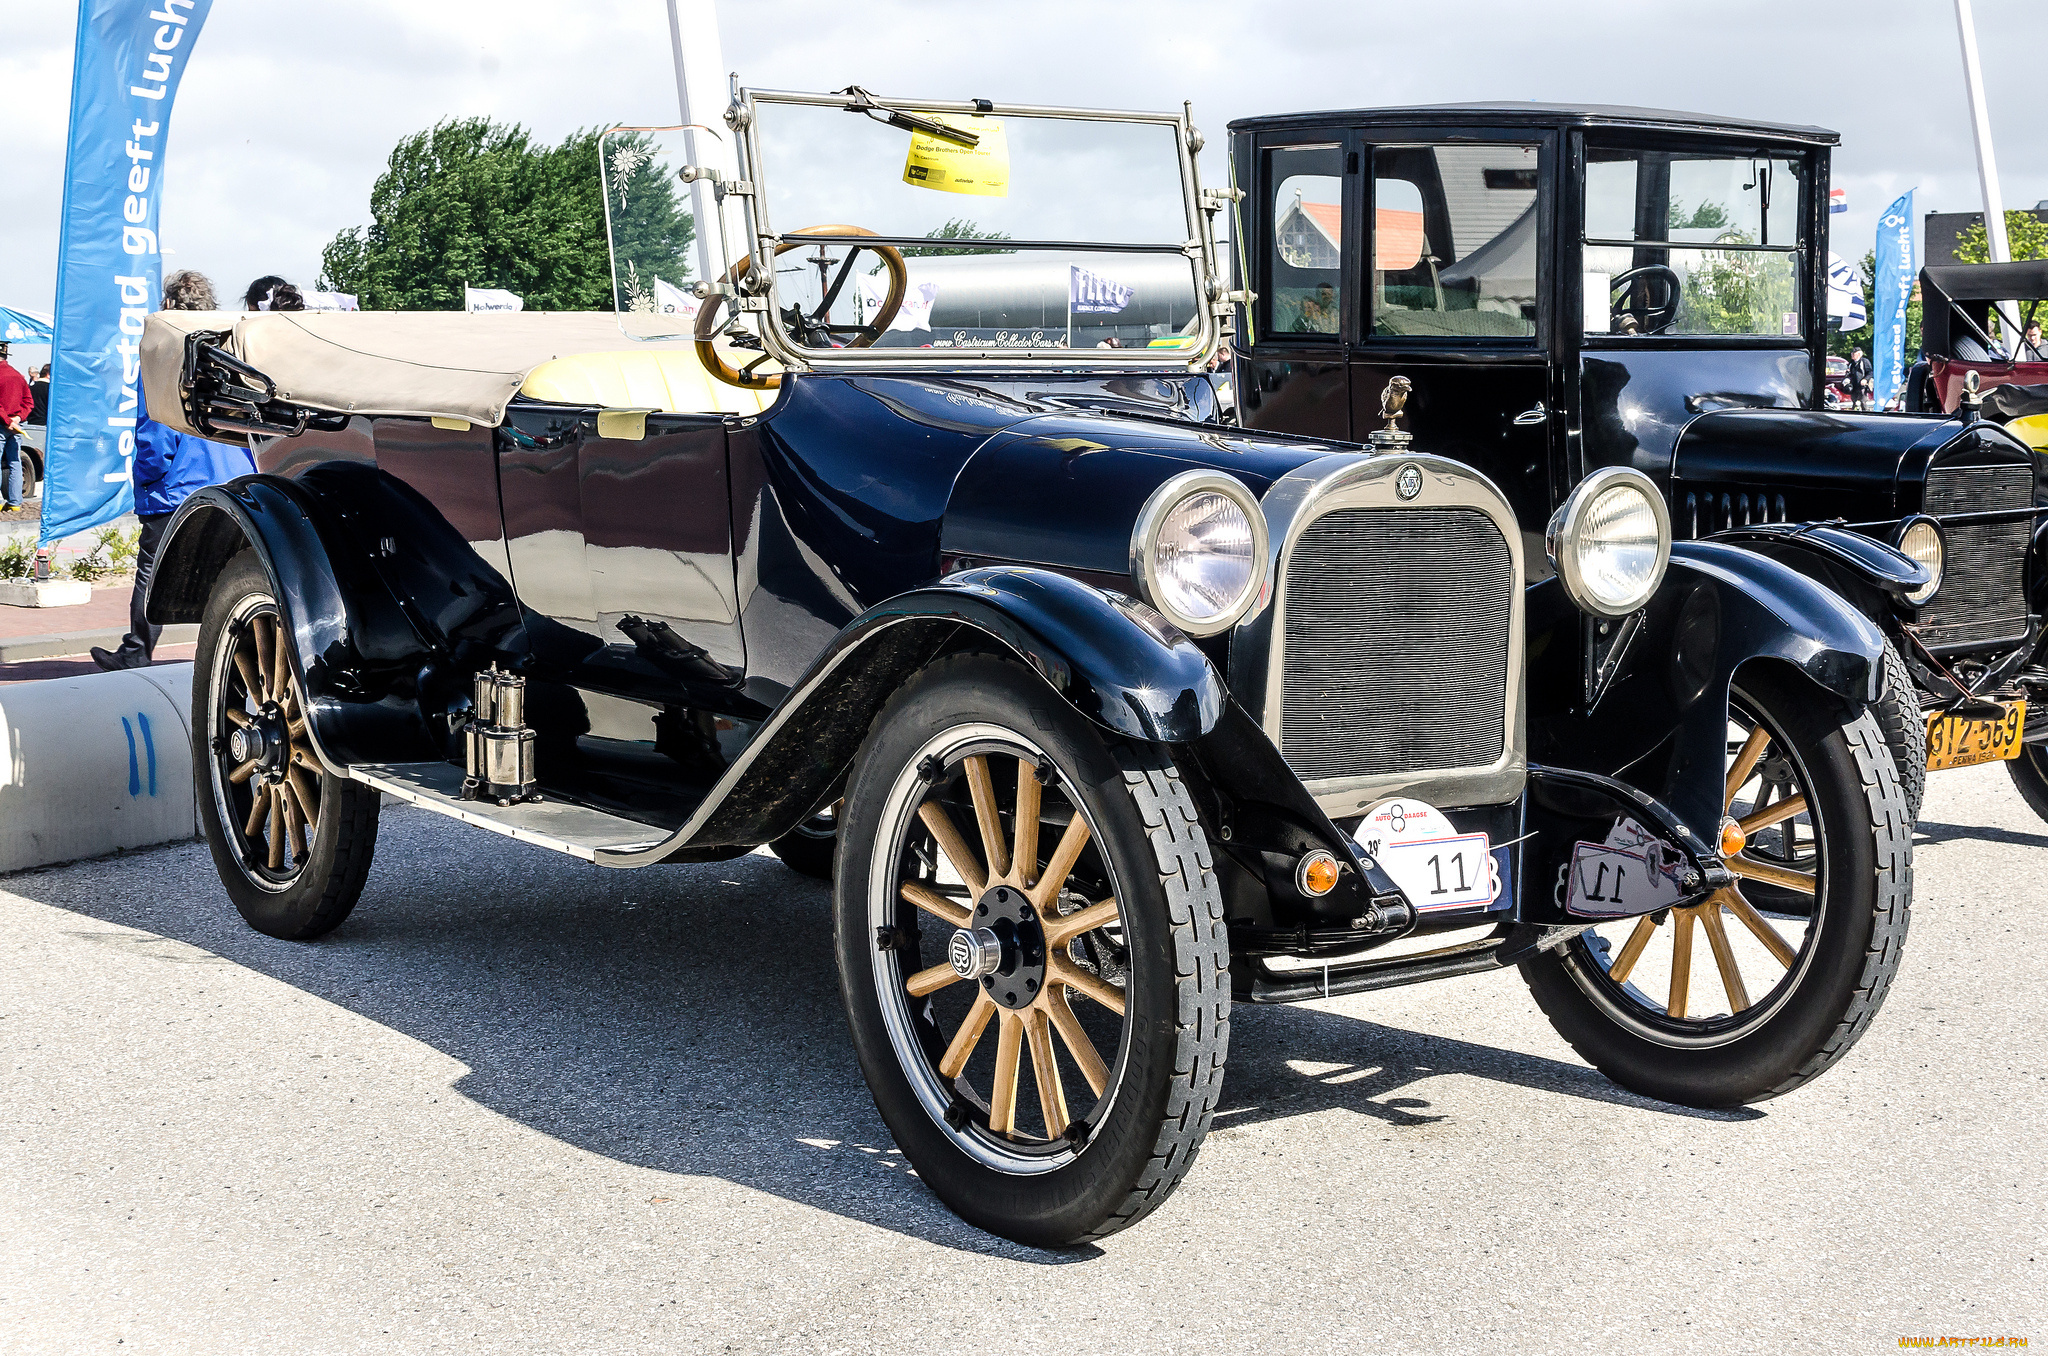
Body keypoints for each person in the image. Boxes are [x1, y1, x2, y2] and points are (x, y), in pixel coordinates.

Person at [92, 271, 255, 671]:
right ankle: (240, 657)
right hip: (232, 480)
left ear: (168, 305)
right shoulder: (230, 356)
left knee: (152, 573)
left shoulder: (164, 357)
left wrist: (147, 480)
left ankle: (135, 651)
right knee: (230, 574)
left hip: (177, 487)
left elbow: (154, 436)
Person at [0, 343, 31, 513]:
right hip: (17, 426)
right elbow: (28, 402)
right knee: (14, 462)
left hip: (2, 424)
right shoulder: (18, 375)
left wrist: (7, 421)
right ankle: (15, 502)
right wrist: (18, 419)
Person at [1848, 346, 1873, 411]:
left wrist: (1865, 379)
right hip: (1854, 386)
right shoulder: (1851, 363)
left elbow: (1870, 372)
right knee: (1854, 403)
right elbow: (1849, 373)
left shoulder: (1864, 361)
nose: (1852, 355)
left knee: (1863, 402)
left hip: (1862, 386)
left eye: (1854, 354)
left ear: (1859, 354)